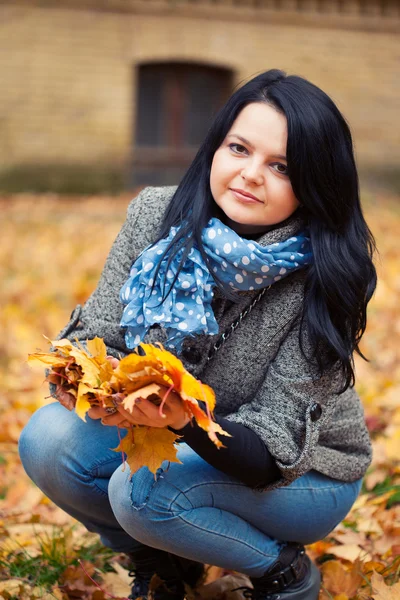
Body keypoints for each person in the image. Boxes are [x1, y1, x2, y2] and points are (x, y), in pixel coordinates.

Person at [19, 69, 377, 600]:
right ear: (215, 148)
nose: (251, 174)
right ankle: (163, 561)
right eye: (239, 148)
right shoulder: (156, 216)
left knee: (142, 492)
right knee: (48, 440)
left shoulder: (327, 273)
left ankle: (280, 568)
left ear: (316, 182)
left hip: (304, 477)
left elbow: (271, 454)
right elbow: (102, 336)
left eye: (281, 166)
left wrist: (186, 420)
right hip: (175, 435)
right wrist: (92, 382)